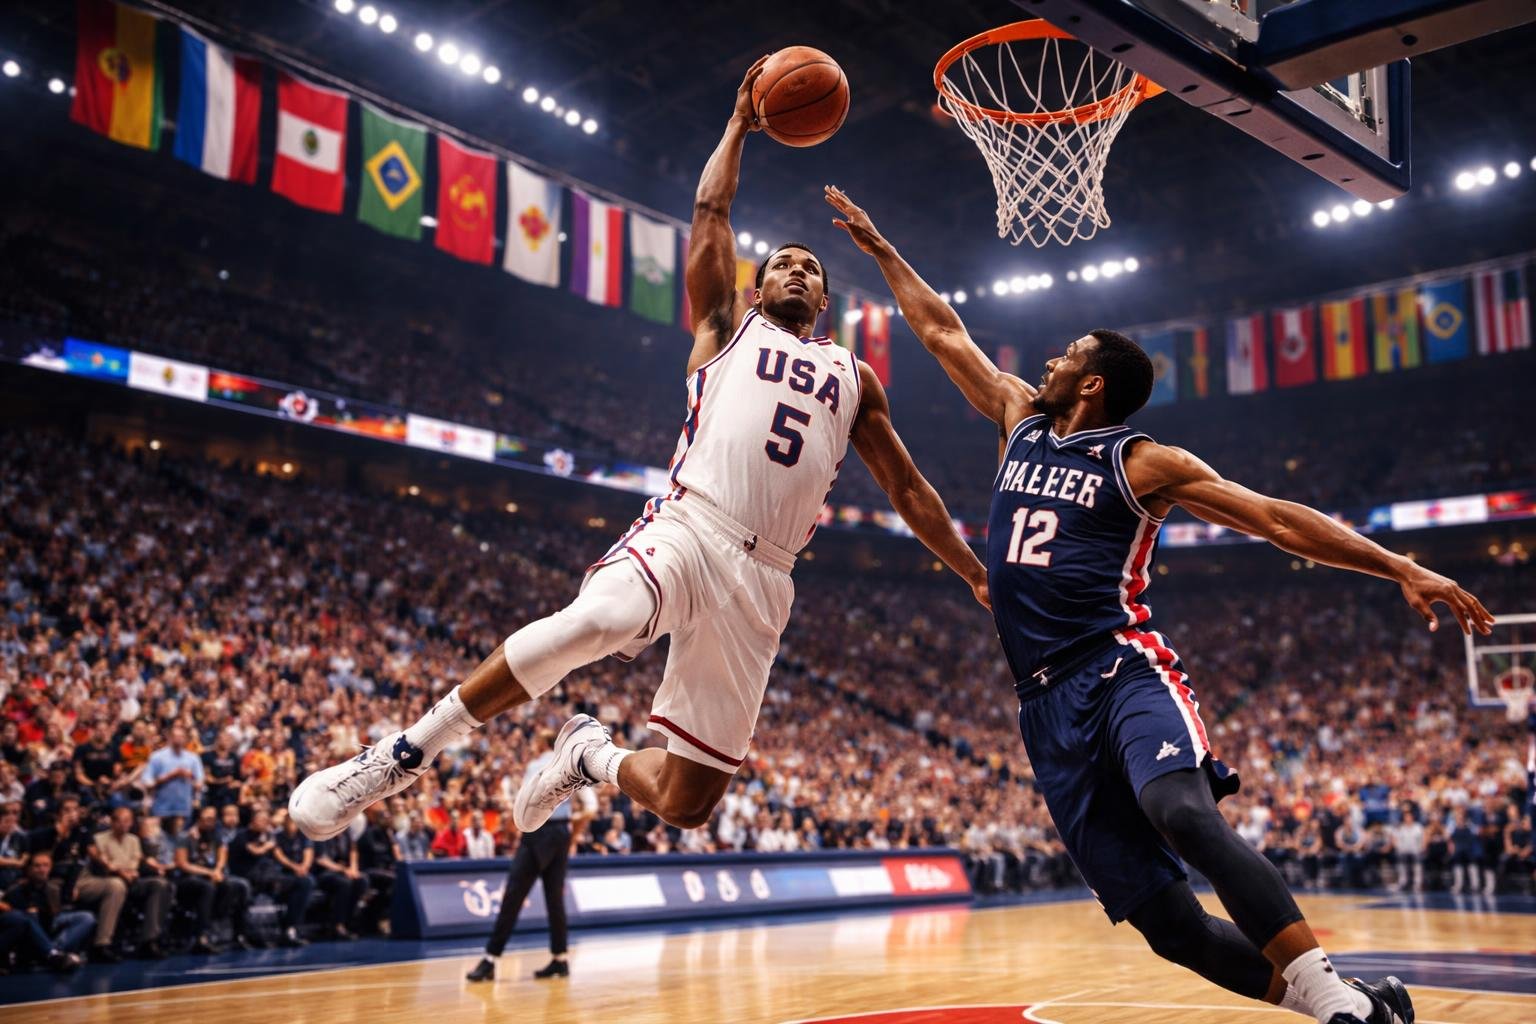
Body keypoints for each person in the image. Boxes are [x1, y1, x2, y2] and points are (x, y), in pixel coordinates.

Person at [820, 184, 1497, 1024]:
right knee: (1168, 925)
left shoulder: (1142, 461)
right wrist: (883, 249)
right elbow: (941, 332)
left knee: (1181, 811)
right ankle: (1355, 1003)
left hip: (1118, 669)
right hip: (1041, 703)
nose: (1049, 361)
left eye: (1067, 355)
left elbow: (1276, 519)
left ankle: (1338, 1007)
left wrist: (1399, 566)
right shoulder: (1019, 419)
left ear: (1092, 383)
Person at [289, 57, 987, 850]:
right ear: (756, 287)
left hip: (768, 578)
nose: (796, 270)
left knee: (688, 802)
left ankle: (589, 755)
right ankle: (403, 755)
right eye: (782, 263)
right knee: (596, 621)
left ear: (826, 300)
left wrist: (973, 572)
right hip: (693, 527)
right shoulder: (726, 326)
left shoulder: (855, 377)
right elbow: (711, 208)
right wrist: (739, 125)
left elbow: (908, 488)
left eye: (811, 269)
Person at [467, 729, 597, 983]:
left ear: (541, 744)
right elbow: (590, 807)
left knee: (513, 895)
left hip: (539, 833)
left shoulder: (536, 765)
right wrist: (570, 834)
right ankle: (560, 959)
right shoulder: (571, 766)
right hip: (560, 834)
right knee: (554, 899)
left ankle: (490, 959)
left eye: (535, 741)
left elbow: (523, 804)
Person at [88, 806, 171, 958]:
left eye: (127, 821)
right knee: (117, 885)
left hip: (132, 879)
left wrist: (129, 871)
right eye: (120, 821)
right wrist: (121, 871)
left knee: (160, 884)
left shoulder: (133, 840)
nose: (124, 824)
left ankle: (149, 939)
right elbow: (103, 864)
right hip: (109, 878)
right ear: (112, 822)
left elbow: (135, 862)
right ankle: (102, 943)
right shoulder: (99, 839)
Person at [173, 805, 254, 952]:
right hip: (189, 878)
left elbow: (222, 856)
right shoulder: (185, 836)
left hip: (212, 875)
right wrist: (208, 873)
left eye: (213, 818)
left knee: (237, 885)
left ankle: (238, 934)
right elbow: (182, 864)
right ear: (199, 818)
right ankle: (201, 936)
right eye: (207, 818)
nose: (211, 821)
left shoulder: (217, 836)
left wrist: (217, 871)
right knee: (207, 887)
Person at [229, 809, 309, 947]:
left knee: (304, 883)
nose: (265, 823)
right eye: (261, 819)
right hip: (247, 877)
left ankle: (289, 929)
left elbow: (278, 853)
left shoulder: (269, 835)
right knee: (243, 888)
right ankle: (241, 935)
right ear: (252, 821)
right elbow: (255, 851)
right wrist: (267, 846)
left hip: (268, 877)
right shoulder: (242, 835)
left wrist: (296, 867)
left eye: (267, 820)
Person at [4, 851, 96, 955]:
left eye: (46, 866)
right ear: (29, 869)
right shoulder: (17, 889)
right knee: (32, 915)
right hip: (30, 926)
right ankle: (50, 952)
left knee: (86, 917)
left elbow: (57, 912)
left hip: (50, 920)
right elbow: (15, 916)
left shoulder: (52, 888)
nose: (42, 870)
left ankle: (54, 950)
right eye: (37, 866)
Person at [141, 725, 204, 823]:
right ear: (170, 738)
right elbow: (147, 781)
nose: (178, 739)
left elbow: (199, 782)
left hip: (183, 808)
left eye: (181, 736)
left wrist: (189, 777)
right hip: (161, 807)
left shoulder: (193, 758)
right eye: (175, 736)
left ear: (186, 739)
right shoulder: (157, 757)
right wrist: (170, 776)